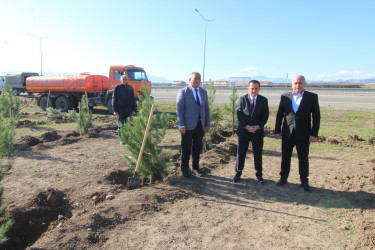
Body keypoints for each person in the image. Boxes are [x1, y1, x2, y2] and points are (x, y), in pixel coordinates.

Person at [274, 75, 320, 192]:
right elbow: (279, 115)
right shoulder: (285, 97)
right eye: (295, 83)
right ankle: (283, 178)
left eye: (300, 83)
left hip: (304, 134)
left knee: (303, 157)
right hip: (287, 133)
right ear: (291, 84)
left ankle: (304, 181)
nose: (297, 85)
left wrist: (314, 134)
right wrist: (277, 131)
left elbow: (316, 116)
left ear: (305, 84)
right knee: (285, 157)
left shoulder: (312, 97)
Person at [233, 80, 269, 184]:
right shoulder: (242, 99)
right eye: (252, 88)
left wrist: (258, 126)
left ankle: (259, 174)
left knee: (258, 153)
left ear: (259, 89)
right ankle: (238, 173)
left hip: (257, 132)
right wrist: (246, 126)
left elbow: (265, 115)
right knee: (241, 153)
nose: (254, 90)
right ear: (248, 89)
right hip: (244, 131)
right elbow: (239, 113)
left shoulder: (263, 100)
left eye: (256, 88)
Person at [176, 72, 210, 178]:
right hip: (187, 126)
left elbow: (206, 109)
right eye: (195, 78)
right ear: (189, 79)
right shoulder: (183, 92)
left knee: (197, 147)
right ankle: (185, 169)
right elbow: (179, 110)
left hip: (200, 125)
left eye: (199, 78)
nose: (197, 80)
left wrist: (207, 123)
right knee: (186, 148)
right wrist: (181, 125)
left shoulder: (203, 92)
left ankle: (196, 168)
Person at [112, 75, 136, 143]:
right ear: (121, 80)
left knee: (128, 125)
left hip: (128, 109)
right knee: (121, 125)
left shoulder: (130, 88)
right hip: (120, 110)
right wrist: (115, 110)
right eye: (123, 79)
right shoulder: (117, 88)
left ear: (127, 80)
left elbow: (133, 99)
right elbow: (114, 99)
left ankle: (127, 139)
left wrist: (134, 109)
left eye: (126, 79)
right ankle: (122, 139)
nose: (125, 80)